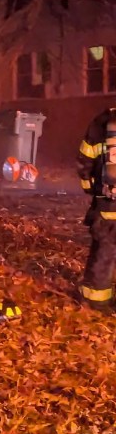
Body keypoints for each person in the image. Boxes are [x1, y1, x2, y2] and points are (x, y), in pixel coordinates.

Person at [76, 108, 116, 313]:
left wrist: (92, 188)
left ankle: (95, 297)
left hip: (106, 204)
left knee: (103, 251)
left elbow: (84, 160)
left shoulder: (101, 123)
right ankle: (96, 299)